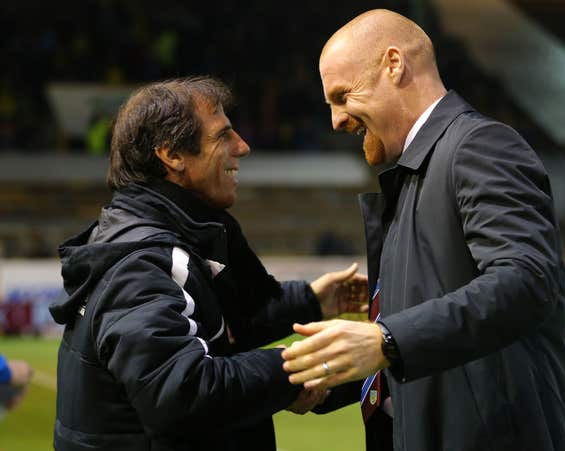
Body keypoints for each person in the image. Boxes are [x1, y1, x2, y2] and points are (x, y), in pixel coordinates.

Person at [282, 9, 565, 451]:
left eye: (343, 95)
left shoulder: (479, 146)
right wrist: (338, 377)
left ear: (394, 64)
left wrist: (384, 340)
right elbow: (426, 341)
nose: (335, 120)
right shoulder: (415, 174)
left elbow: (526, 280)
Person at [49, 76, 366, 451]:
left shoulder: (150, 235)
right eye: (223, 136)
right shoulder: (143, 261)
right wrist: (291, 370)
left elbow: (214, 330)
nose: (243, 147)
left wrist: (313, 301)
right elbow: (180, 390)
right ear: (172, 154)